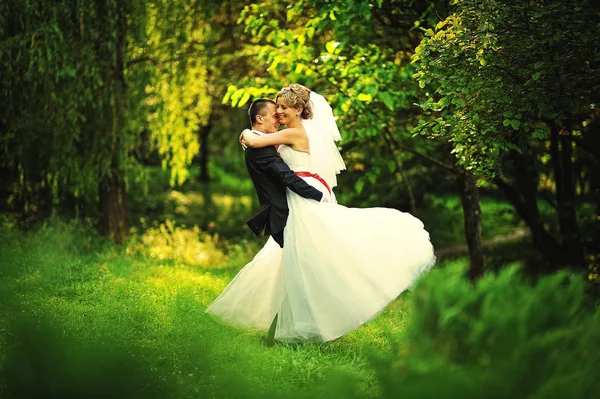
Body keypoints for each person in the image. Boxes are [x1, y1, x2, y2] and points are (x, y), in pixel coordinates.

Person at [207, 84, 436, 344]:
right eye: (277, 107)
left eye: (283, 106)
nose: (279, 111)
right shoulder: (291, 131)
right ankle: (285, 330)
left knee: (311, 261)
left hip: (304, 195)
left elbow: (257, 140)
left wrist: (246, 133)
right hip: (300, 195)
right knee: (302, 262)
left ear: (297, 109)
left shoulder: (293, 133)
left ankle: (300, 327)